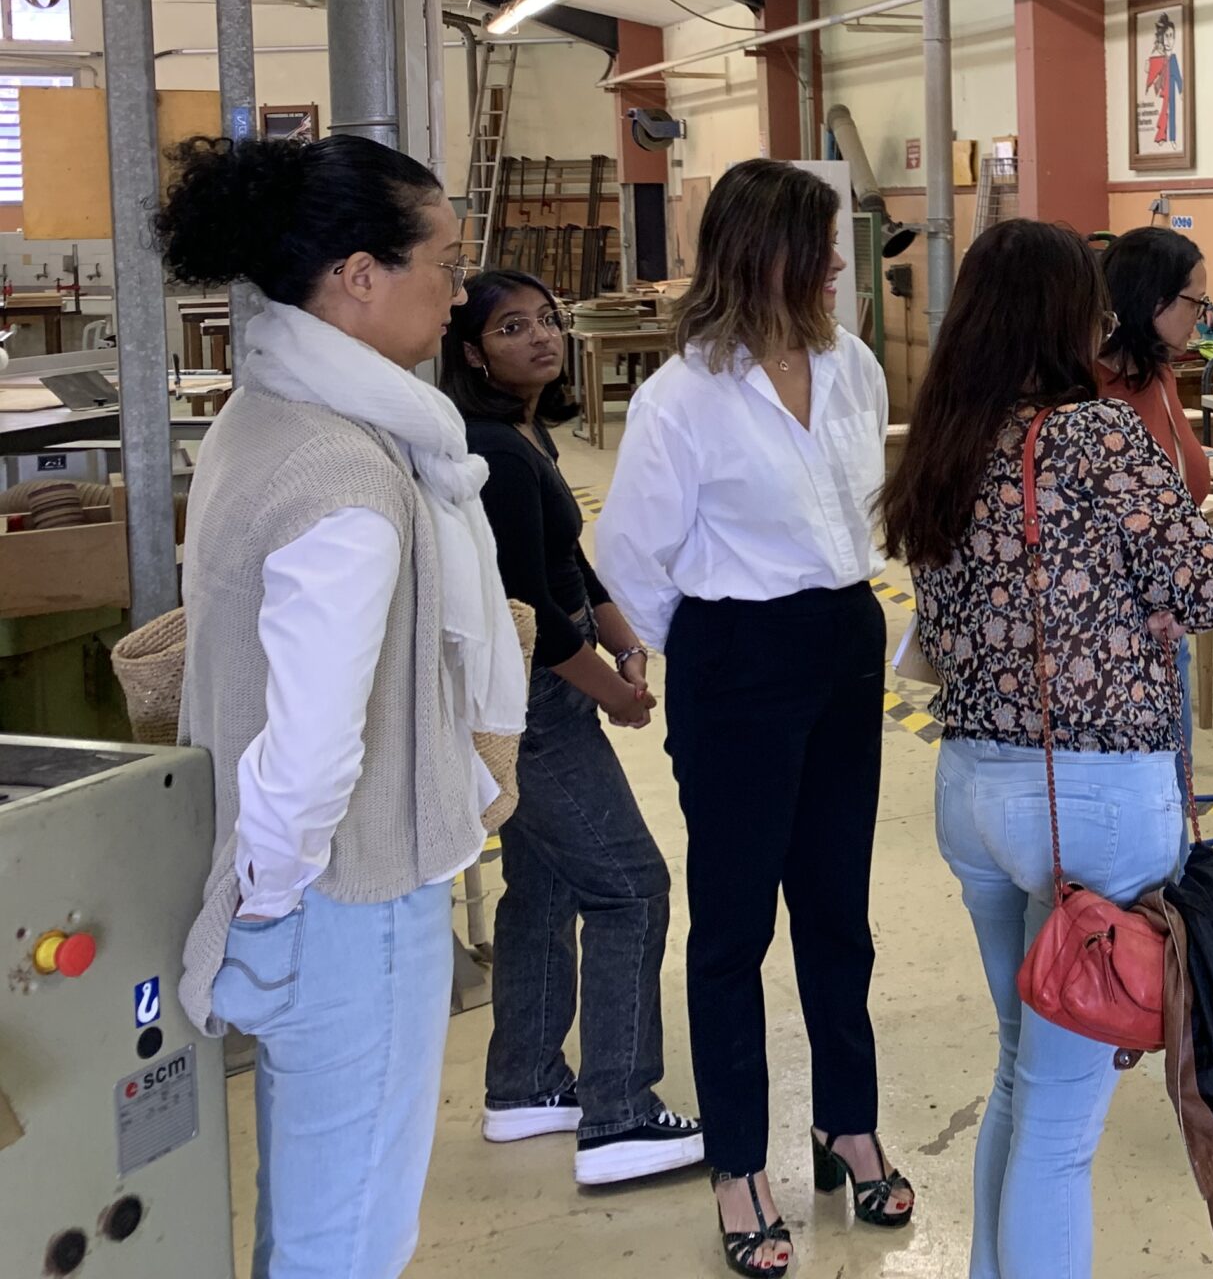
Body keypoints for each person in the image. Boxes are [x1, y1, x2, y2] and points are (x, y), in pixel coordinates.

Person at [158, 134, 522, 1279]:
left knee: (307, 1217)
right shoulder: (351, 474)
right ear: (360, 275)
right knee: (350, 1238)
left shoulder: (263, 414)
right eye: (446, 263)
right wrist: (267, 909)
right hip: (341, 898)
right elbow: (313, 747)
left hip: (290, 887)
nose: (458, 291)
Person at [883, 219, 1213, 1279]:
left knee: (1020, 1075)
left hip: (975, 793)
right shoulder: (1090, 436)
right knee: (1060, 1128)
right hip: (1084, 807)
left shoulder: (947, 439)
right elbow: (1209, 587)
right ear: (1061, 314)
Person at [594, 159, 905, 1276]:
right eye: (818, 242)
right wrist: (714, 651)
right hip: (738, 656)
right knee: (733, 927)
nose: (835, 262)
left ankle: (847, 1121)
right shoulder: (684, 394)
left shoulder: (851, 366)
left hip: (842, 642)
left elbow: (859, 510)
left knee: (838, 908)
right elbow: (628, 557)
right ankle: (738, 1162)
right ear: (759, 252)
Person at [439, 271, 703, 1186]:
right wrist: (614, 691)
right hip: (535, 705)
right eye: (513, 328)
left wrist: (626, 635)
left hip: (539, 693)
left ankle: (524, 1086)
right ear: (472, 350)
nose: (542, 338)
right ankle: (621, 1114)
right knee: (631, 887)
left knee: (545, 889)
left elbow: (564, 561)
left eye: (547, 320)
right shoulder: (488, 451)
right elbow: (536, 618)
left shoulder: (523, 430)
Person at [1096, 226, 1213, 505]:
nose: (1200, 316)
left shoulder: (1159, 374)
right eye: (1196, 302)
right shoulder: (1082, 389)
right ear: (1153, 299)